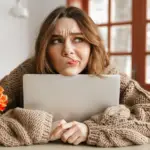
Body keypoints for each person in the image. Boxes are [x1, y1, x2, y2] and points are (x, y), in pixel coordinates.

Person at [0, 6, 150, 148]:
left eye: (78, 39)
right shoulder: (27, 71)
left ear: (91, 44)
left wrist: (92, 130)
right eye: (56, 41)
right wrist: (38, 128)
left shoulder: (107, 72)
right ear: (45, 48)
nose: (67, 50)